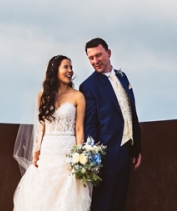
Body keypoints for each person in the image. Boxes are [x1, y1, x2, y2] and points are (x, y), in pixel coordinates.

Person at [12, 55, 91, 211]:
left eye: (71, 67)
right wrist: (36, 152)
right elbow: (41, 127)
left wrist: (79, 158)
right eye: (66, 67)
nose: (70, 71)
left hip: (67, 152)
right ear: (55, 70)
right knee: (42, 198)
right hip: (47, 152)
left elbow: (79, 129)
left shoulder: (78, 96)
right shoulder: (43, 97)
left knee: (66, 199)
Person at [78, 38, 141, 211]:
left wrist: (136, 149)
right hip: (105, 158)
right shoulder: (88, 86)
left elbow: (131, 112)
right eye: (91, 58)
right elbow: (90, 125)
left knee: (119, 204)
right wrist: (94, 161)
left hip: (125, 152)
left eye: (98, 55)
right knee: (102, 206)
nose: (95, 61)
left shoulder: (122, 76)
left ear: (109, 53)